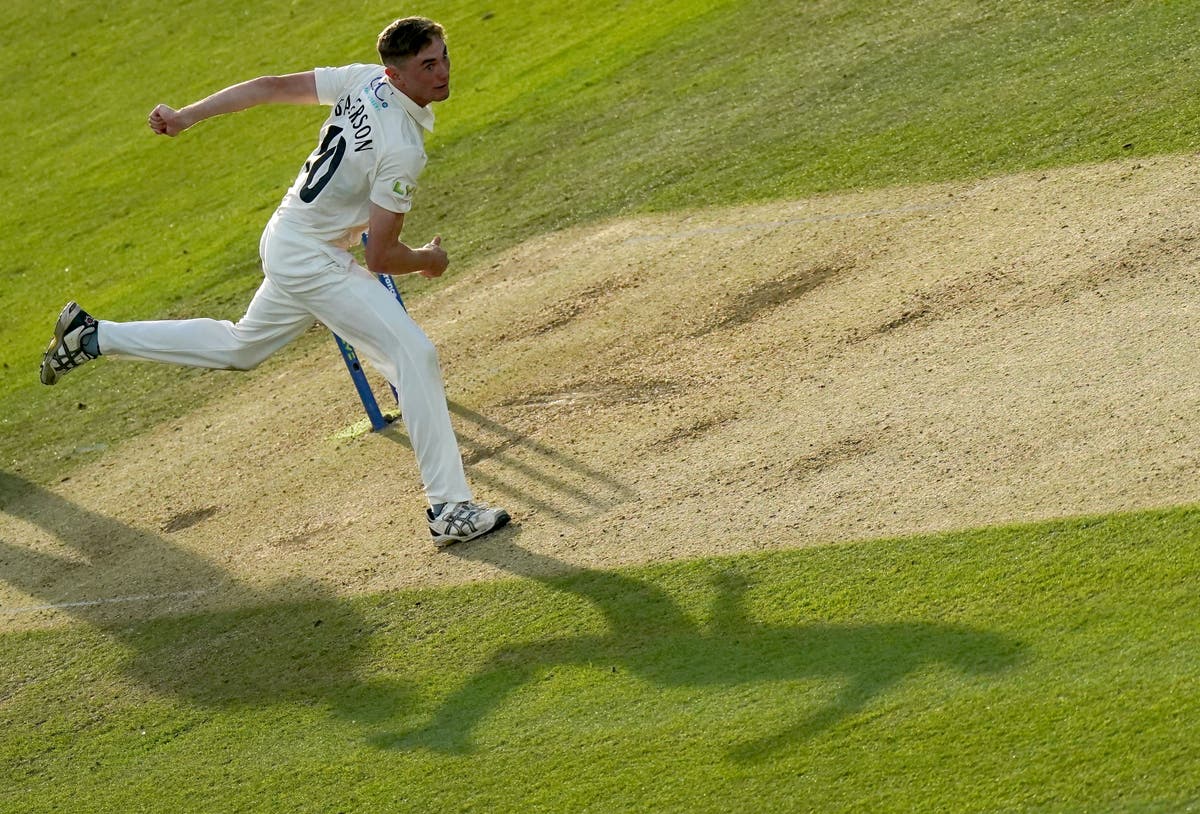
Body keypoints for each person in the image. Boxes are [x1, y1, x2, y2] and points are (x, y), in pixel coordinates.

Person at [38, 16, 510, 547]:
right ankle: (449, 507)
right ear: (395, 75)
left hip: (288, 236)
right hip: (310, 256)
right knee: (414, 355)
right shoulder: (402, 145)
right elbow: (379, 256)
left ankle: (92, 336)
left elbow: (268, 88)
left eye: (444, 57)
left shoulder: (363, 79)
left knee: (241, 347)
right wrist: (428, 260)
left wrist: (186, 116)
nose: (443, 72)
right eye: (428, 65)